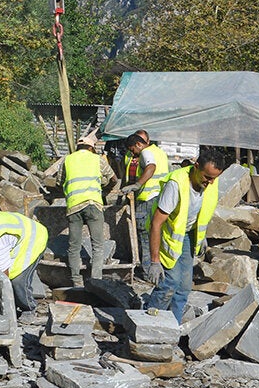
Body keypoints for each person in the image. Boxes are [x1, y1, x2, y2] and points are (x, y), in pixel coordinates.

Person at [145, 151, 224, 323]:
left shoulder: (211, 182)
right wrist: (154, 261)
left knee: (184, 286)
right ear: (196, 167)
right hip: (167, 234)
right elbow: (156, 223)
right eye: (206, 177)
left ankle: (173, 324)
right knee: (170, 282)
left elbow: (202, 212)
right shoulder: (176, 184)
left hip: (188, 235)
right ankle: (150, 320)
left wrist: (201, 236)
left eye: (214, 179)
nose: (209, 183)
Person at [58, 132, 118, 286]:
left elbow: (59, 182)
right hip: (93, 204)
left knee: (74, 246)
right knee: (98, 245)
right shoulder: (97, 159)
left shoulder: (67, 160)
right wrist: (105, 187)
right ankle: (96, 281)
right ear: (92, 148)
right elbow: (114, 179)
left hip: (74, 206)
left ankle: (76, 281)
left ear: (78, 148)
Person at [122, 130, 172, 278]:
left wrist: (137, 185)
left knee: (144, 233)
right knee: (157, 233)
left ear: (138, 144)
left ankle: (147, 271)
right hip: (161, 197)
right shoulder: (160, 151)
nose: (133, 154)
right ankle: (158, 268)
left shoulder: (146, 153)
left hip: (147, 198)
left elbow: (151, 167)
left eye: (133, 150)